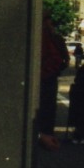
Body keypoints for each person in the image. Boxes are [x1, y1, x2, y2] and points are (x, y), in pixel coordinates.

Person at [36, 11, 68, 150]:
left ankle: (45, 135)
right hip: (50, 76)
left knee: (44, 107)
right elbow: (65, 59)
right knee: (48, 107)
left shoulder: (44, 37)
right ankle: (47, 134)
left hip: (44, 77)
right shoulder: (54, 37)